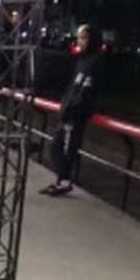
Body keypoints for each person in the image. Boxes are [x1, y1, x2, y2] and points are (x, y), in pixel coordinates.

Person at [41, 24, 102, 196]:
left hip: (75, 115)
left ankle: (64, 181)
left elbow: (86, 91)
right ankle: (61, 180)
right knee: (56, 147)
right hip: (68, 111)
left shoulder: (94, 63)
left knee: (66, 149)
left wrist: (74, 109)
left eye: (83, 38)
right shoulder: (82, 61)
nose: (79, 41)